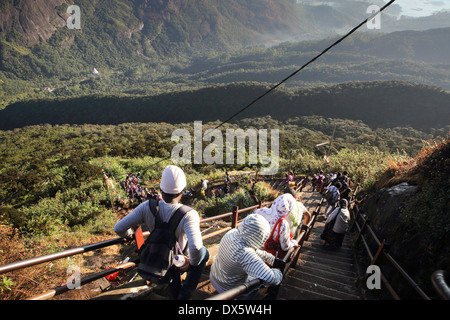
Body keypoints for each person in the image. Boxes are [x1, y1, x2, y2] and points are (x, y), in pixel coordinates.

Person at [114, 165, 209, 300]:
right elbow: (196, 248)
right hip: (180, 260)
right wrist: (191, 263)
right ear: (183, 190)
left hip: (162, 260)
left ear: (161, 189)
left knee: (170, 264)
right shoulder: (189, 214)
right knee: (204, 254)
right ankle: (185, 293)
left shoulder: (146, 207)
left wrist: (129, 233)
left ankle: (175, 294)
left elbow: (118, 228)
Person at [209, 214, 283, 298]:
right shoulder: (246, 255)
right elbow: (271, 278)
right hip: (228, 289)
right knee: (255, 284)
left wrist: (269, 258)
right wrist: (279, 271)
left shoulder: (231, 233)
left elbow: (252, 250)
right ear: (260, 238)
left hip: (214, 276)